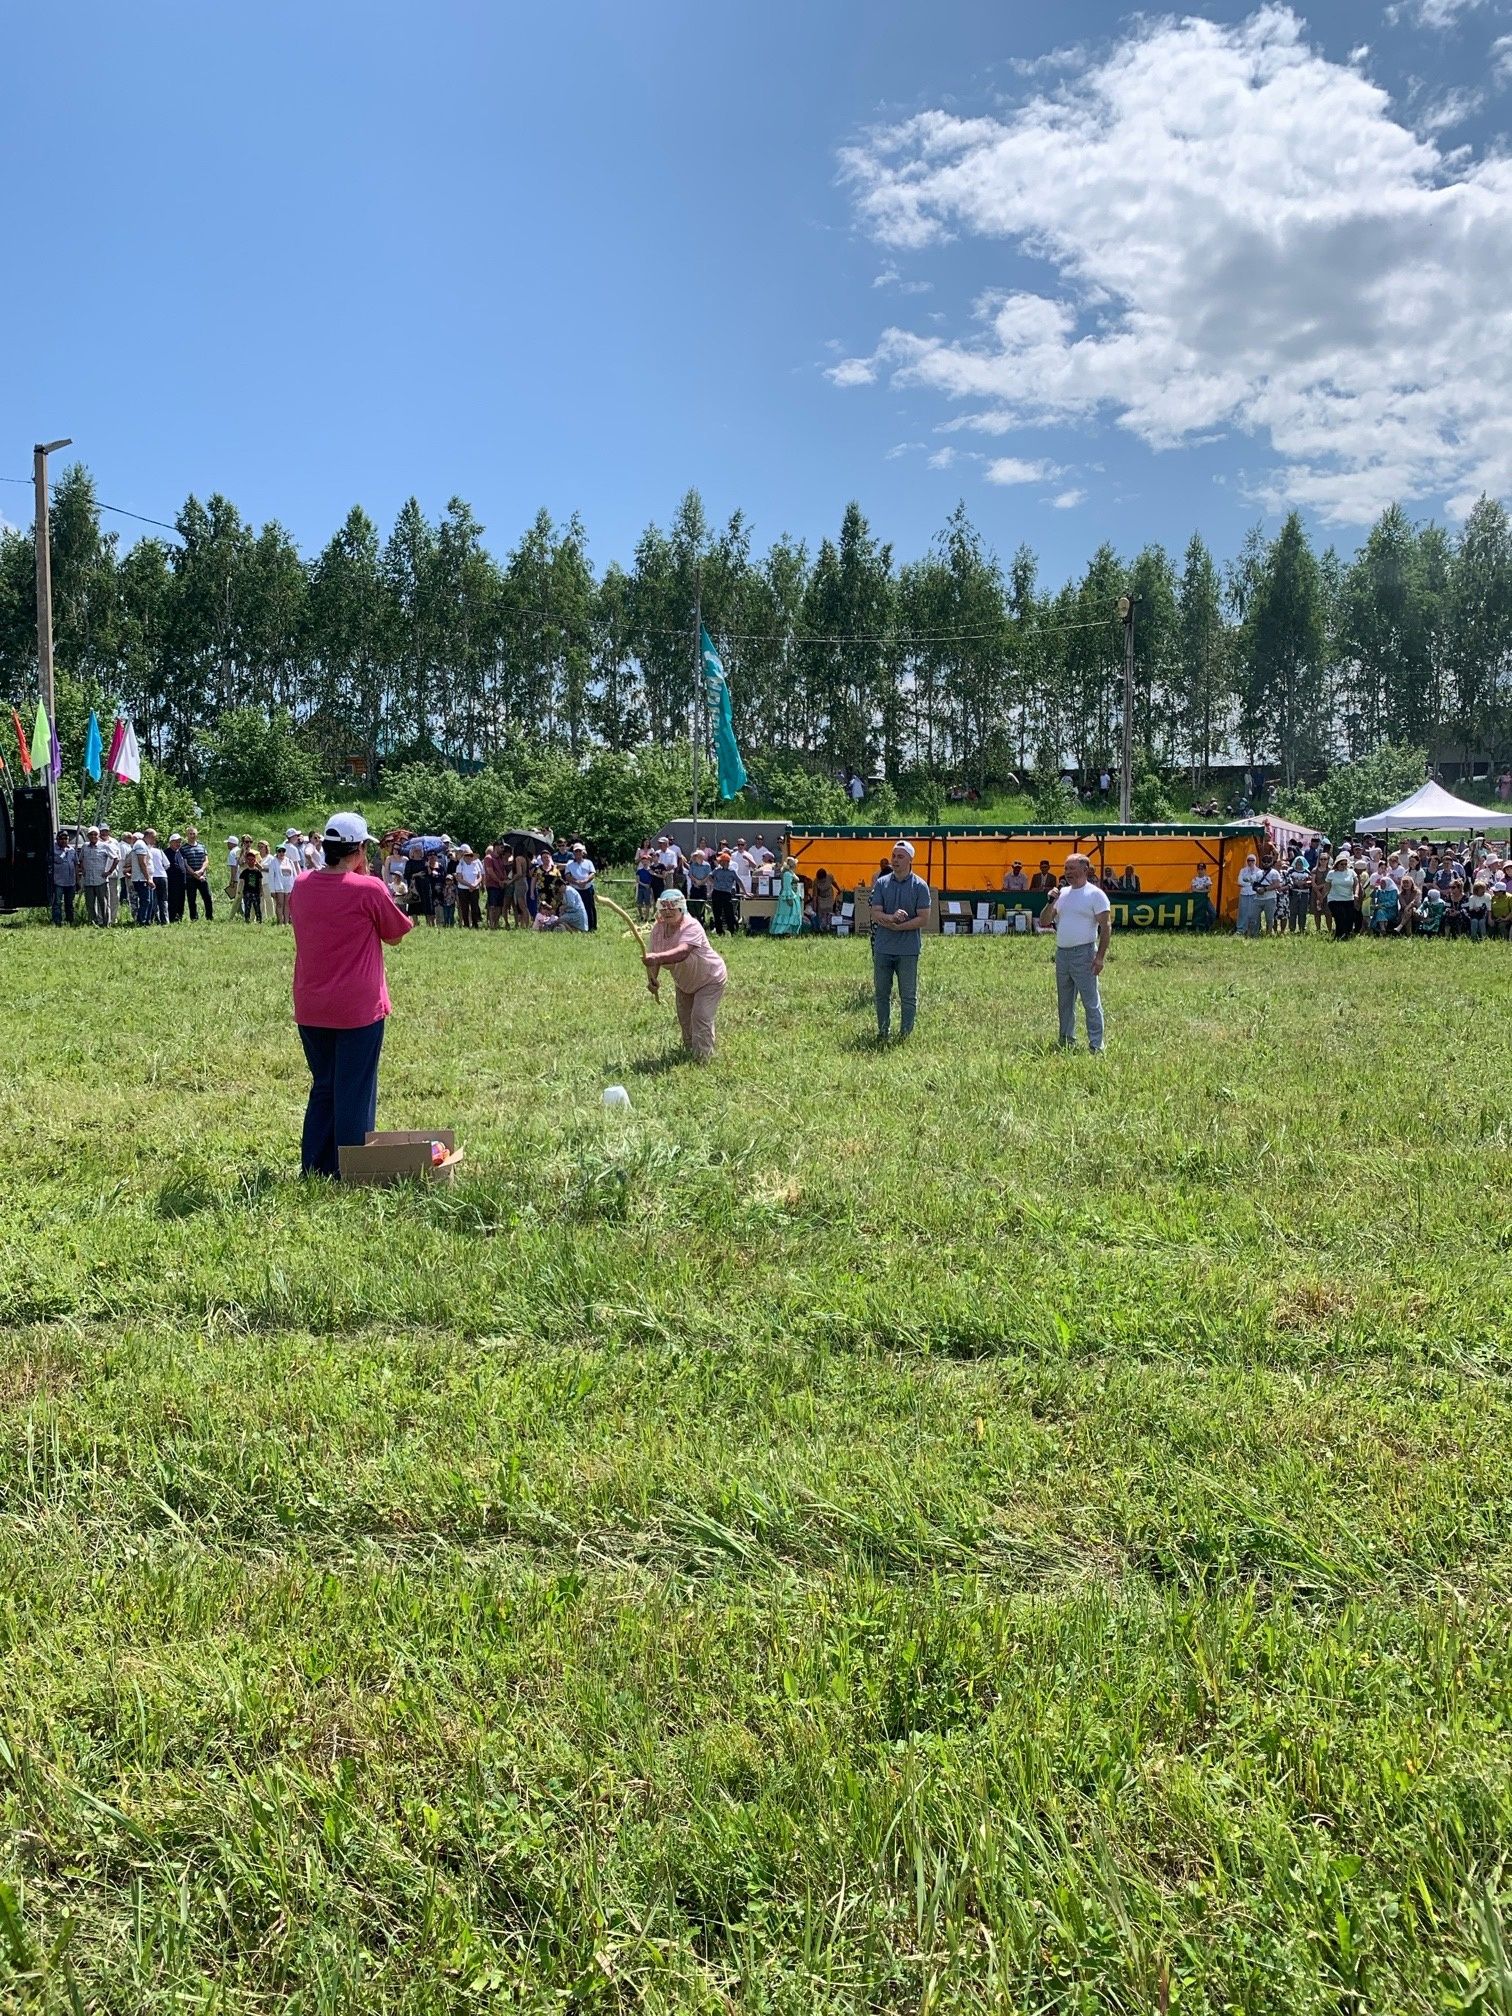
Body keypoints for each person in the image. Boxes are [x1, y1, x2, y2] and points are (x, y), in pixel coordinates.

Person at [286, 813, 412, 1178]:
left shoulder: (302, 884)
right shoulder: (369, 888)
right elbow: (395, 935)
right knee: (354, 1090)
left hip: (311, 1004)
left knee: (324, 1086)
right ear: (359, 849)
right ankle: (352, 1171)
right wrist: (368, 877)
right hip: (357, 1008)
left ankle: (315, 1167)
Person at [643, 887, 728, 1062]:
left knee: (700, 1016)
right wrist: (653, 979)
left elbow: (682, 952)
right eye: (663, 908)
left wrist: (656, 957)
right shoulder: (658, 930)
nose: (667, 912)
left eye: (672, 907)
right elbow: (655, 957)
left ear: (681, 908)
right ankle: (690, 1053)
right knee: (685, 1019)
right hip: (684, 981)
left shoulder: (692, 926)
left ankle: (704, 1059)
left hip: (710, 978)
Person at [1042, 853, 1112, 1053]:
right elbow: (1045, 921)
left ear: (1085, 870)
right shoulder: (1062, 894)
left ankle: (1096, 1046)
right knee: (1065, 1002)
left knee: (1091, 1002)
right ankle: (1066, 1041)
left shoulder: (1095, 894)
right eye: (1066, 869)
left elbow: (1106, 927)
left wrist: (1100, 958)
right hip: (1062, 954)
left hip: (1085, 954)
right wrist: (1050, 902)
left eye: (1072, 868)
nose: (1068, 872)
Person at [869, 840, 931, 1041]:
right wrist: (891, 918)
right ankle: (883, 1033)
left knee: (908, 995)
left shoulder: (920, 886)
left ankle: (905, 1035)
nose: (894, 860)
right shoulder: (881, 883)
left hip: (908, 949)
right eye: (893, 856)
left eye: (900, 856)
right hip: (883, 948)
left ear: (911, 859)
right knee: (881, 994)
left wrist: (900, 926)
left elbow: (924, 918)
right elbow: (874, 912)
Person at [80, 827, 114, 927]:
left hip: (101, 880)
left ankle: (106, 923)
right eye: (91, 834)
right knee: (90, 904)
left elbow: (116, 858)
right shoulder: (85, 846)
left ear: (98, 835)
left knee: (103, 903)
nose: (93, 836)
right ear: (88, 836)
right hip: (89, 880)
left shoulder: (104, 846)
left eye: (95, 834)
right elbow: (80, 859)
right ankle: (93, 922)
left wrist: (109, 871)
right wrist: (82, 869)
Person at [180, 826, 213, 921]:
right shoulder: (183, 848)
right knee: (191, 899)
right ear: (187, 835)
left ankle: (209, 917)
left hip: (202, 876)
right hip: (190, 878)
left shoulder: (202, 846)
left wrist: (201, 871)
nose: (192, 835)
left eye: (194, 833)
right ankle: (194, 918)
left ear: (197, 834)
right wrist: (195, 874)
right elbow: (185, 864)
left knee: (207, 897)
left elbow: (206, 861)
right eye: (190, 834)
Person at [1325, 854, 1359, 940]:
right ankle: (1339, 935)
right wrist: (1321, 898)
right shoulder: (1331, 873)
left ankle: (1345, 935)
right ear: (1337, 864)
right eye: (1342, 864)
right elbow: (1327, 887)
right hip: (1334, 899)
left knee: (1349, 918)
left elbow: (1356, 883)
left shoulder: (1351, 872)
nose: (1344, 866)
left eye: (1345, 864)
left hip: (1348, 898)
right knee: (1340, 917)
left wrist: (1356, 894)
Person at [564, 842, 597, 930]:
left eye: (579, 851)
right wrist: (577, 882)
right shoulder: (569, 864)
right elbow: (567, 876)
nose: (578, 853)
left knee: (589, 908)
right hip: (575, 890)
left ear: (582, 852)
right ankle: (578, 927)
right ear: (573, 853)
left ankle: (591, 927)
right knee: (577, 909)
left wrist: (585, 881)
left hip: (587, 888)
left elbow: (593, 873)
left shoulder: (588, 862)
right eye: (576, 851)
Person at [771, 856, 804, 936]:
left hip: (794, 895)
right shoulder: (787, 874)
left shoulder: (791, 873)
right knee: (787, 914)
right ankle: (782, 932)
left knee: (793, 914)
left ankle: (791, 932)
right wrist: (789, 898)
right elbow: (787, 887)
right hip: (788, 897)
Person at [51, 831, 79, 925]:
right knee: (57, 903)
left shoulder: (72, 850)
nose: (63, 841)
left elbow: (76, 864)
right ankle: (57, 921)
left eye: (65, 839)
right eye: (61, 838)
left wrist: (77, 880)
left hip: (70, 881)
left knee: (69, 903)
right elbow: (55, 861)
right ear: (57, 839)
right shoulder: (53, 850)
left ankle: (70, 921)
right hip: (58, 881)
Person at [710, 851, 741, 936]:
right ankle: (719, 932)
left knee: (729, 913)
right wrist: (714, 883)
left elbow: (739, 881)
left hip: (726, 894)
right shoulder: (717, 870)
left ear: (726, 861)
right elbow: (710, 877)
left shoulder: (732, 872)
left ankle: (732, 931)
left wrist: (745, 892)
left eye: (721, 860)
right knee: (717, 914)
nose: (719, 862)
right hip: (716, 893)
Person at [1236, 852, 1262, 938]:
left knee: (1253, 913)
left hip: (1254, 894)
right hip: (1244, 893)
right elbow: (1239, 882)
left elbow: (1258, 883)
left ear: (1255, 861)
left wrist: (1246, 882)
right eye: (1248, 860)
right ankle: (1241, 929)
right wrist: (1250, 884)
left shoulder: (1259, 871)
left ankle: (1254, 930)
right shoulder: (1242, 870)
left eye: (1252, 860)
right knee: (1243, 912)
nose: (1250, 862)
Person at [239, 844, 264, 923]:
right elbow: (241, 882)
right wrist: (240, 890)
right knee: (247, 907)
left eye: (252, 859)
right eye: (249, 859)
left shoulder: (257, 872)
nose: (250, 861)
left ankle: (259, 920)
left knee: (257, 907)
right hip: (247, 892)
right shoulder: (244, 872)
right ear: (246, 860)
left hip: (256, 892)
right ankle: (247, 920)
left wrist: (261, 891)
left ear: (255, 860)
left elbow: (260, 882)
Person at [813, 867, 838, 935]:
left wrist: (839, 889)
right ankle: (821, 927)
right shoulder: (815, 881)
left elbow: (834, 883)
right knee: (821, 911)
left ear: (825, 876)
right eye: (820, 880)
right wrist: (815, 907)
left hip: (829, 896)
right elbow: (815, 895)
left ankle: (829, 926)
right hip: (821, 897)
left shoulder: (830, 877)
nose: (821, 881)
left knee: (829, 910)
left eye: (823, 879)